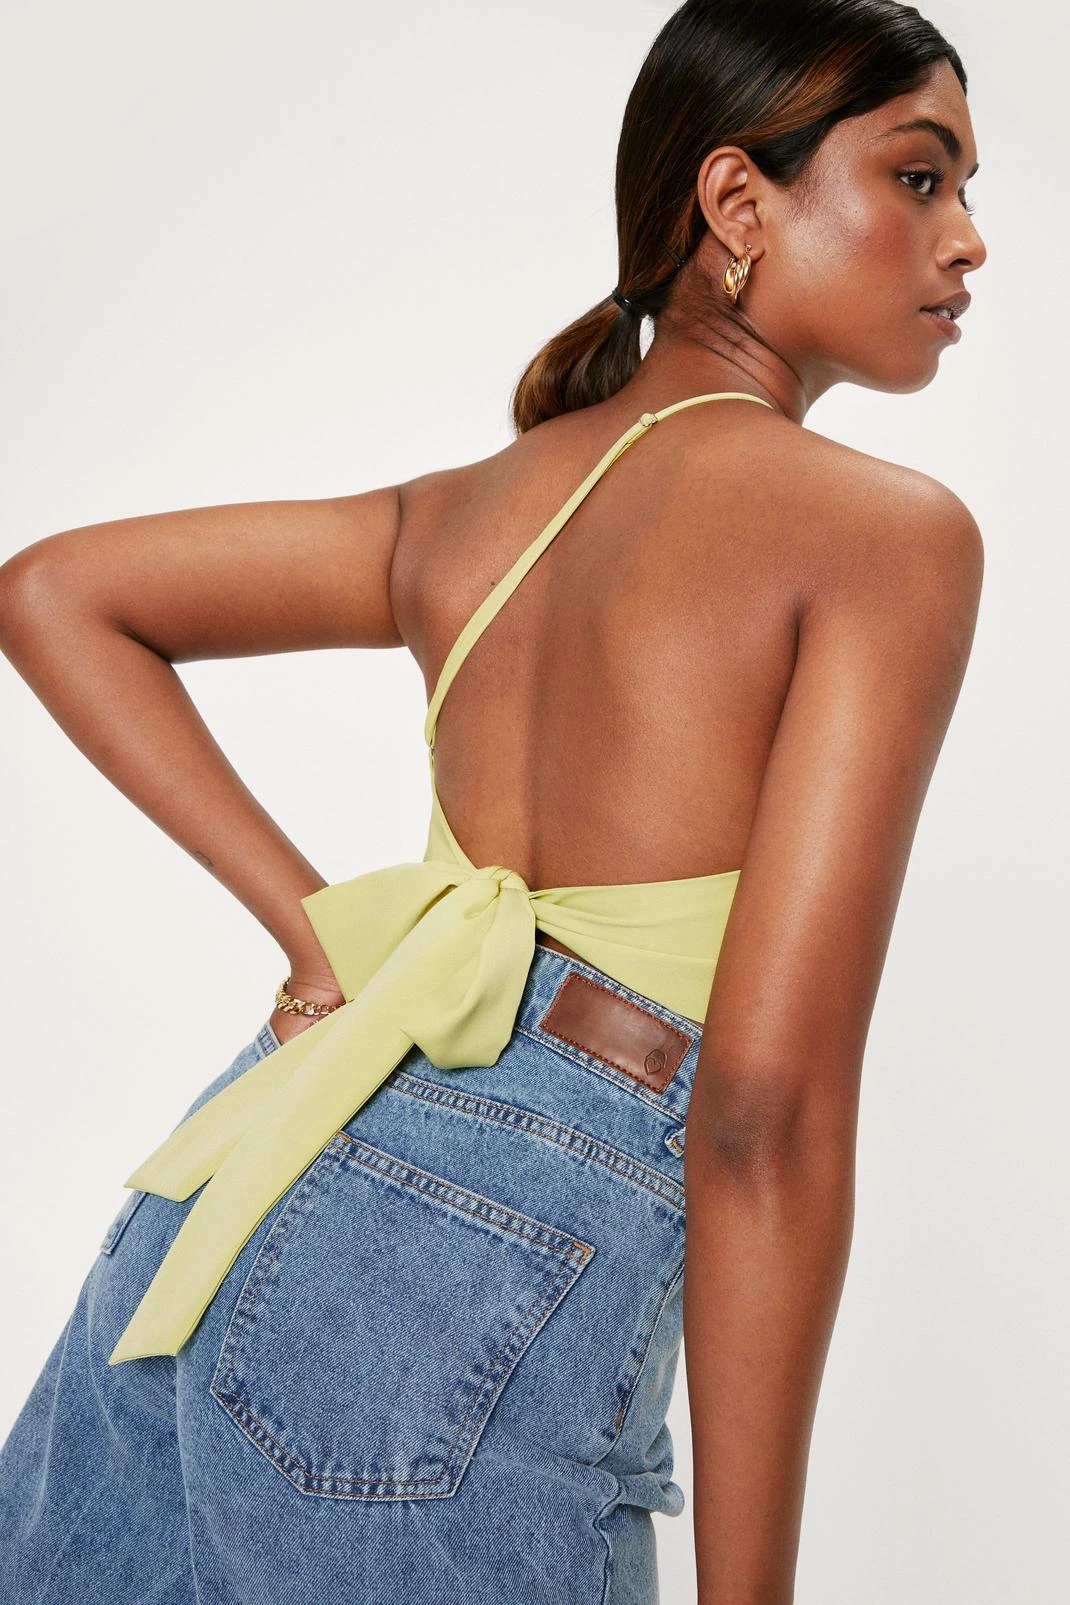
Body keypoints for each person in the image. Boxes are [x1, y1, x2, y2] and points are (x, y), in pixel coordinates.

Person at [0, 0, 986, 1600]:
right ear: (736, 204)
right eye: (919, 177)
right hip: (458, 1302)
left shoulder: (473, 507)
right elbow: (763, 1120)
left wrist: (316, 940)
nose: (966, 239)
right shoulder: (883, 537)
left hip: (229, 1197)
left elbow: (56, 592)